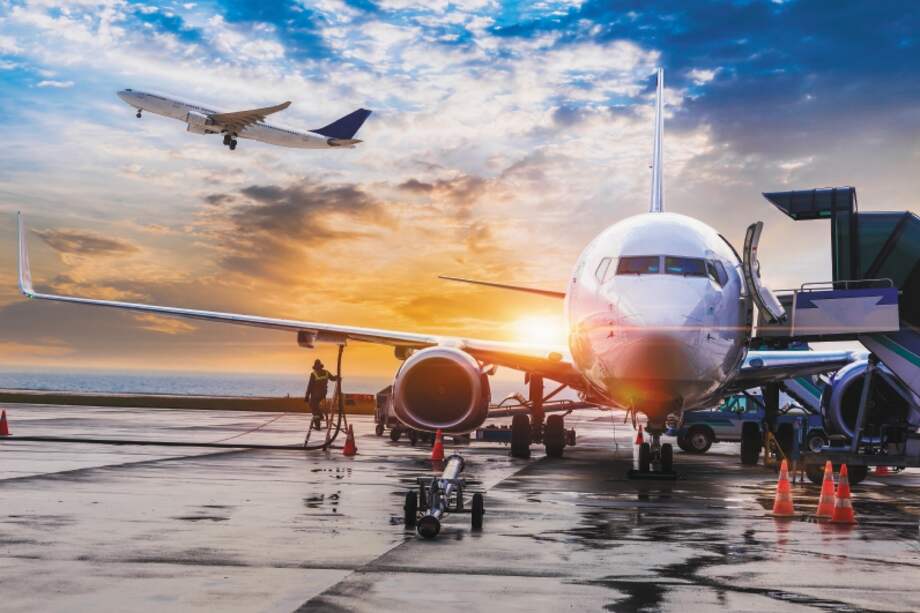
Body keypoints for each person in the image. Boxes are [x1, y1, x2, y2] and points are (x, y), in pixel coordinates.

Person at [305, 359, 339, 429]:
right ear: (321, 366)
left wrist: (307, 396)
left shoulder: (313, 374)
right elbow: (333, 378)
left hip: (315, 394)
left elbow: (310, 386)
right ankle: (319, 416)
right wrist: (338, 377)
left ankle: (318, 423)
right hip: (323, 393)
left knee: (312, 405)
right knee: (315, 405)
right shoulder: (326, 372)